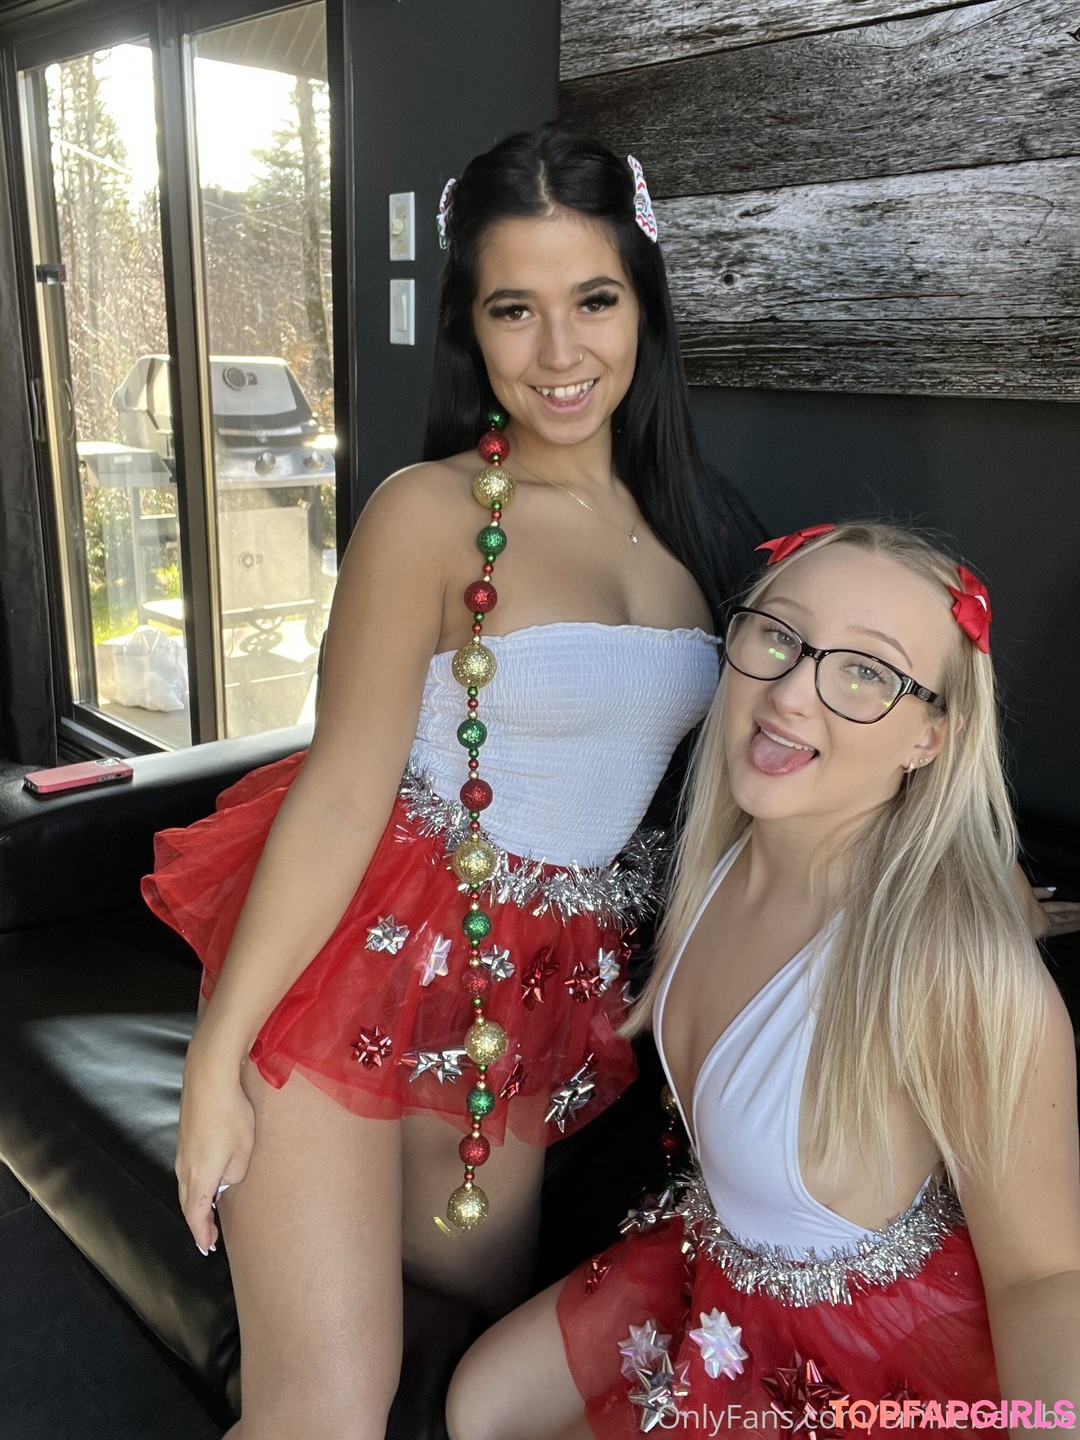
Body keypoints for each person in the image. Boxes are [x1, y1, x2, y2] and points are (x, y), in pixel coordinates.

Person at [141, 124, 762, 1440]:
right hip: (358, 949)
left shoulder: (705, 531)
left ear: (644, 306)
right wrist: (212, 1064)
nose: (559, 351)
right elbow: (337, 796)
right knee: (327, 1408)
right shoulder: (427, 512)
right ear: (471, 330)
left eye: (595, 300)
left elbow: (791, 750)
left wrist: (953, 868)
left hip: (533, 987)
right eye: (513, 308)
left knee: (474, 1334)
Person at [447, 522, 1080, 1439]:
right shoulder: (718, 855)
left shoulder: (959, 973)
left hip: (856, 1361)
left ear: (931, 737)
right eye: (780, 635)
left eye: (867, 672)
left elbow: (1046, 1276)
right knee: (478, 1406)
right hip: (715, 1259)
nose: (788, 693)